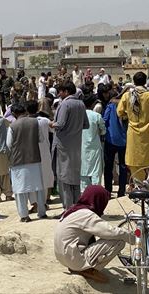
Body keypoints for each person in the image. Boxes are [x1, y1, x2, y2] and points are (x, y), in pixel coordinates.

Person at [54, 185, 134, 283]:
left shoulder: (74, 210)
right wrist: (134, 238)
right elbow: (109, 232)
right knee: (119, 240)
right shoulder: (86, 214)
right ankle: (87, 269)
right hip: (73, 259)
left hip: (63, 258)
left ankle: (80, 266)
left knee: (114, 236)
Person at [117, 72, 149, 193]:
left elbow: (119, 112)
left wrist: (129, 115)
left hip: (133, 133)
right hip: (148, 133)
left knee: (133, 160)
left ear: (134, 82)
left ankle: (138, 184)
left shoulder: (126, 96)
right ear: (145, 82)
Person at [51, 81, 89, 210]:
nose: (59, 94)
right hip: (76, 145)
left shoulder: (65, 104)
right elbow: (86, 125)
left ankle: (68, 209)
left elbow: (60, 124)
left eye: (60, 91)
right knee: (74, 177)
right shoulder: (81, 104)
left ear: (66, 92)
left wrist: (50, 124)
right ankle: (76, 206)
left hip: (63, 145)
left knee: (64, 178)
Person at [7, 104, 47, 222]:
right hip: (35, 158)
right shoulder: (35, 122)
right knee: (38, 187)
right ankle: (42, 212)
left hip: (18, 161)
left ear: (14, 114)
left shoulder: (12, 126)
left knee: (20, 190)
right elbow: (41, 139)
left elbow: (9, 144)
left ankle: (24, 215)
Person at [26, 100, 54, 207]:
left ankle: (35, 203)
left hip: (30, 154)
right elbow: (54, 130)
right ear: (38, 108)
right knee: (45, 176)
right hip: (44, 152)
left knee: (32, 177)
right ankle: (44, 201)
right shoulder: (44, 120)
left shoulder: (24, 122)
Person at [103, 89, 128, 197]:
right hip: (124, 140)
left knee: (108, 166)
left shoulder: (111, 106)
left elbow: (104, 120)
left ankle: (108, 190)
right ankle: (121, 191)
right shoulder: (127, 105)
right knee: (123, 166)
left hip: (110, 139)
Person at [80, 96, 106, 193]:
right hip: (94, 147)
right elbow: (103, 131)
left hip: (82, 147)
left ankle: (84, 194)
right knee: (96, 172)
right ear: (92, 104)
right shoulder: (96, 116)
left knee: (83, 171)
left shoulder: (79, 116)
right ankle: (96, 193)